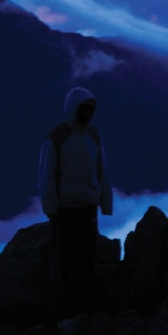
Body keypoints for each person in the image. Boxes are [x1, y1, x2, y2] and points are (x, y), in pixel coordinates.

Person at [38, 87, 113, 317]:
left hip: (88, 208)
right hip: (65, 210)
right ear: (73, 109)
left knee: (84, 260)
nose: (88, 113)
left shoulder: (93, 135)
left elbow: (102, 169)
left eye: (91, 109)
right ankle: (64, 311)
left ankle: (83, 308)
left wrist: (104, 202)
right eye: (84, 108)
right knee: (65, 263)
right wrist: (51, 207)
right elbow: (47, 174)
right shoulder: (57, 136)